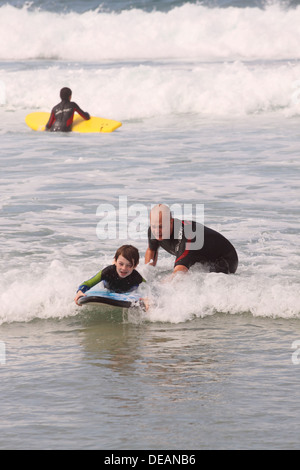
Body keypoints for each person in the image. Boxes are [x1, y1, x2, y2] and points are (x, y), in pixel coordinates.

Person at [145, 204, 238, 277]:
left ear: (171, 222)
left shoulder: (187, 236)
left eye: (161, 226)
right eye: (154, 226)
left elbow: (179, 273)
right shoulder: (153, 231)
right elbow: (151, 250)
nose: (157, 231)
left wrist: (157, 289)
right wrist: (146, 277)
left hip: (225, 259)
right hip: (201, 256)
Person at [75, 245, 146, 305]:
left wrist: (146, 298)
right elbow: (87, 283)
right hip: (108, 289)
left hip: (127, 292)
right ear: (115, 261)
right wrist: (80, 292)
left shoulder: (136, 277)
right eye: (121, 264)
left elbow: (148, 289)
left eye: (129, 265)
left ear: (135, 266)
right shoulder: (108, 272)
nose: (124, 268)